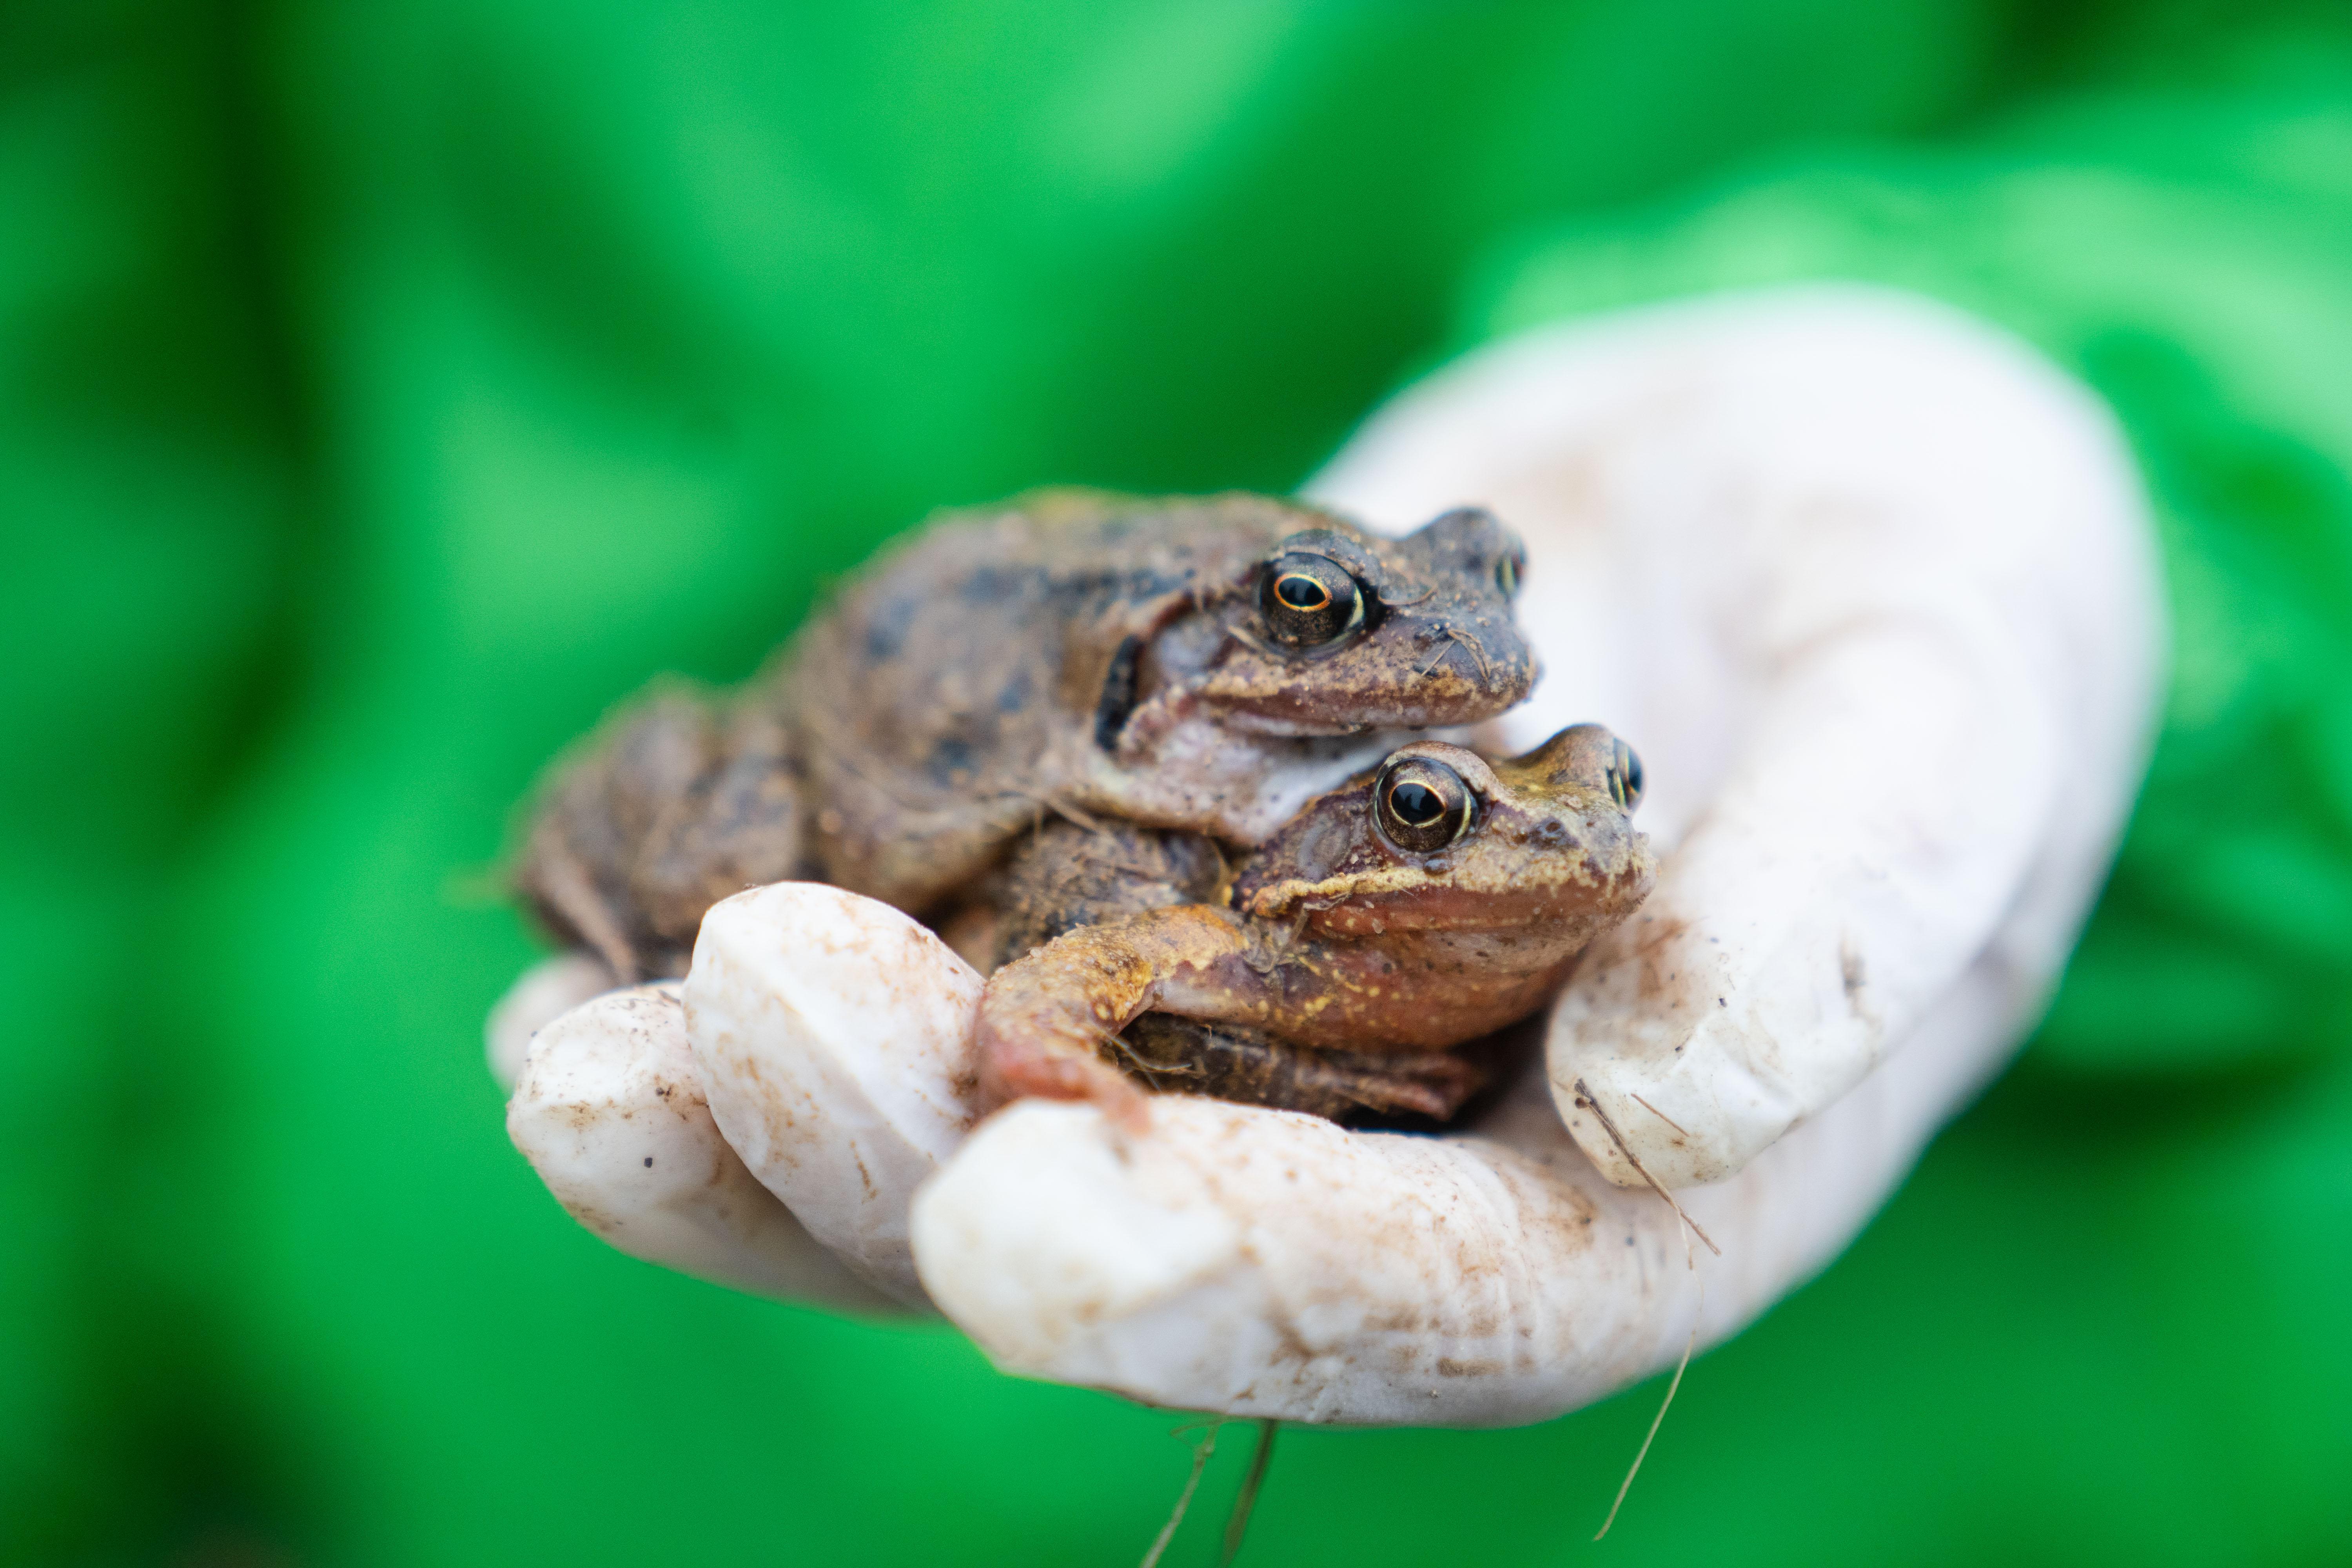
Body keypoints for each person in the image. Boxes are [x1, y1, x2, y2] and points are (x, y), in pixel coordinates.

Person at [10, 4, 2352, 1562]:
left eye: (1465, 616)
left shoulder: (1346, 751)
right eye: (1330, 636)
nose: (1455, 675)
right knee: (725, 856)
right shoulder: (1122, 788)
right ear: (1198, 672)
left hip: (1932, 1444)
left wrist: (2127, 458)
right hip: (492, 1398)